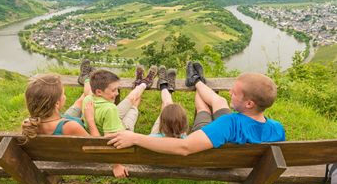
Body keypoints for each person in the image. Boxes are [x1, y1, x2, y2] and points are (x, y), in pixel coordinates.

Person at [107, 62, 285, 155]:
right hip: (242, 160)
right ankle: (198, 81)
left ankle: (197, 82)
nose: (230, 91)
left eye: (235, 92)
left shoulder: (227, 123)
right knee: (220, 101)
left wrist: (135, 137)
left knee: (203, 109)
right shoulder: (278, 129)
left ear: (249, 103)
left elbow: (184, 147)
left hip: (212, 150)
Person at [81, 65, 158, 177]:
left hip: (107, 118)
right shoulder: (110, 109)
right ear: (99, 92)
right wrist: (116, 165)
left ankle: (142, 83)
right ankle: (142, 83)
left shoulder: (88, 99)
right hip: (122, 131)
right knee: (133, 107)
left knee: (130, 99)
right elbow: (108, 142)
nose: (117, 93)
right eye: (113, 90)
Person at [21, 74, 100, 141]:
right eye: (63, 94)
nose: (65, 97)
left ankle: (87, 79)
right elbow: (96, 146)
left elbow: (80, 102)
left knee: (82, 100)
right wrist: (90, 120)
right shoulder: (70, 127)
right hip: (73, 153)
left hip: (63, 119)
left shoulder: (31, 125)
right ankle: (86, 78)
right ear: (57, 104)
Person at [150, 65, 188, 139]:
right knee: (170, 110)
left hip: (156, 138)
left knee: (167, 106)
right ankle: (167, 88)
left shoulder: (150, 139)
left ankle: (163, 85)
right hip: (178, 136)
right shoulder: (187, 141)